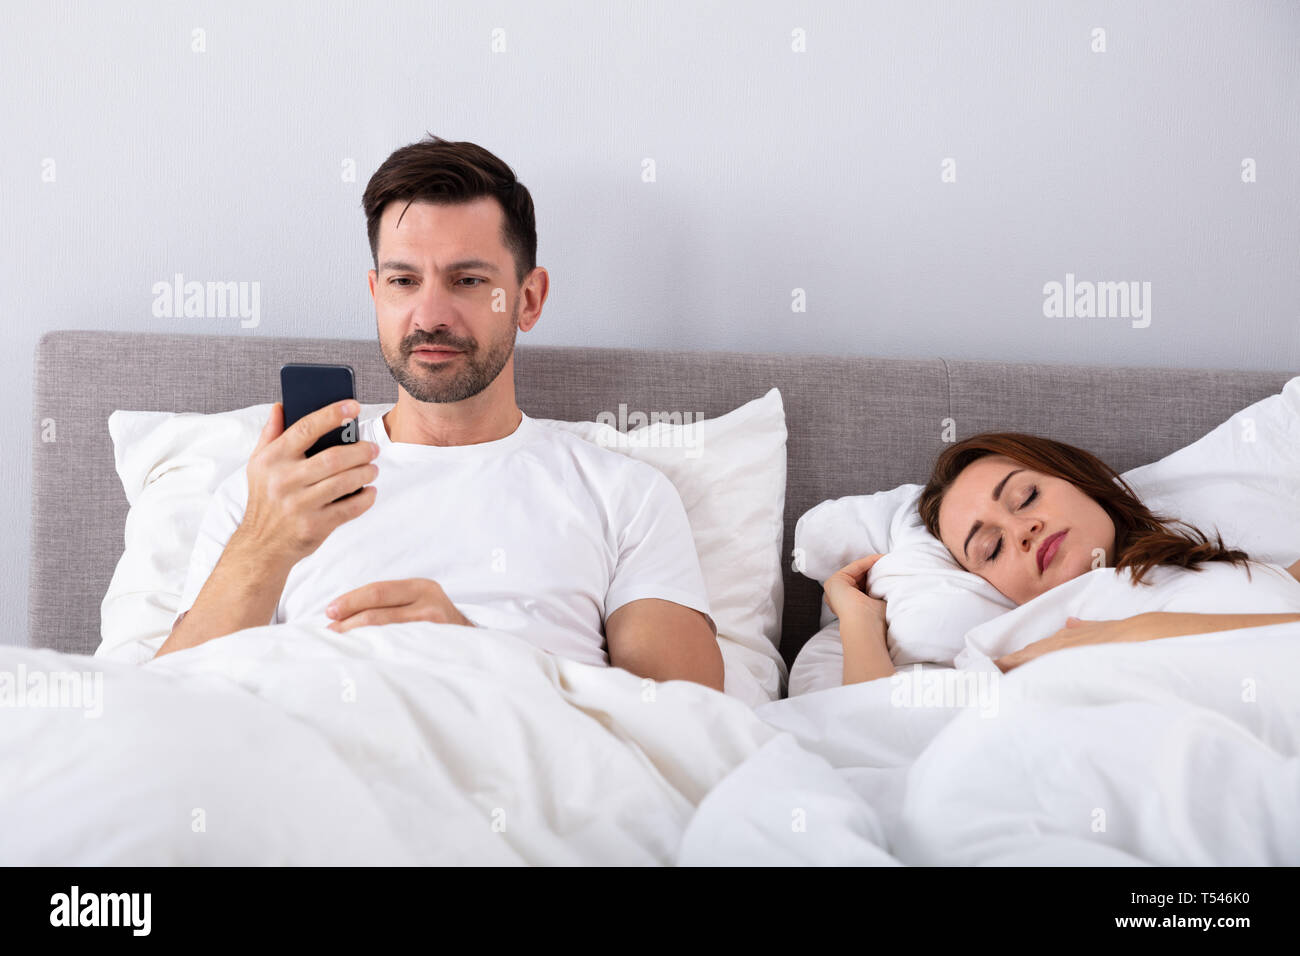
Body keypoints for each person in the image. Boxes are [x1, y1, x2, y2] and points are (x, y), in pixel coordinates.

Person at [155, 135, 723, 691]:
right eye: (404, 281)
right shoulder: (275, 495)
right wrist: (264, 543)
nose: (430, 314)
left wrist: (475, 654)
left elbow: (688, 730)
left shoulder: (625, 498)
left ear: (528, 299)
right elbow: (166, 709)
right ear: (377, 294)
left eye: (468, 280)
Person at [827, 432, 1300, 684]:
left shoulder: (1252, 575)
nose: (1022, 530)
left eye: (1027, 496)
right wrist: (859, 619)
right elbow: (879, 730)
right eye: (991, 548)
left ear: (1079, 479)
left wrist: (1130, 633)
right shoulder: (1012, 642)